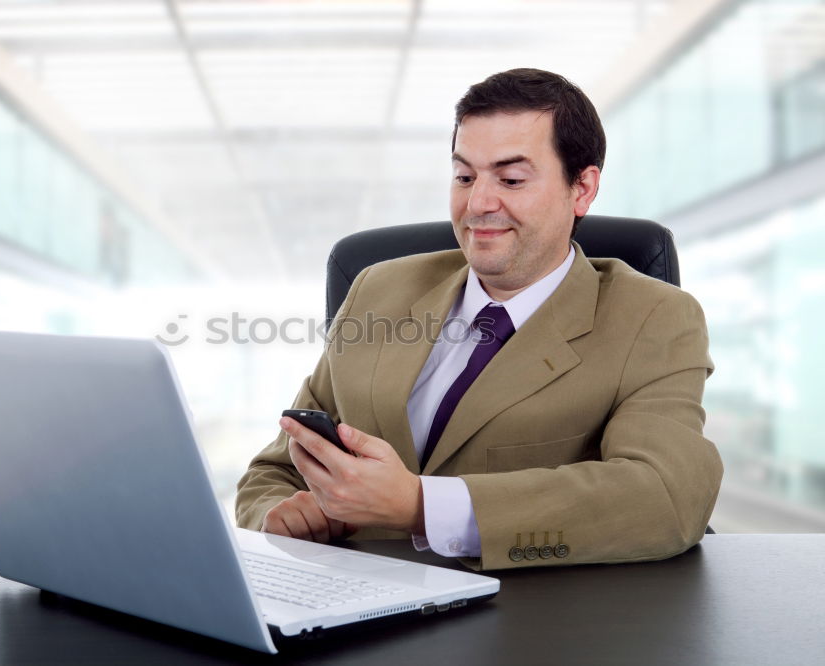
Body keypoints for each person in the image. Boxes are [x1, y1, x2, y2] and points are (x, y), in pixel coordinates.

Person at [235, 68, 722, 570]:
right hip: (355, 612)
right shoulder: (377, 289)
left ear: (582, 188)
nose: (478, 204)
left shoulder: (655, 318)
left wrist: (420, 506)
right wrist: (278, 518)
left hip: (529, 625)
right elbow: (274, 470)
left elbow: (666, 494)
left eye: (511, 179)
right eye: (465, 176)